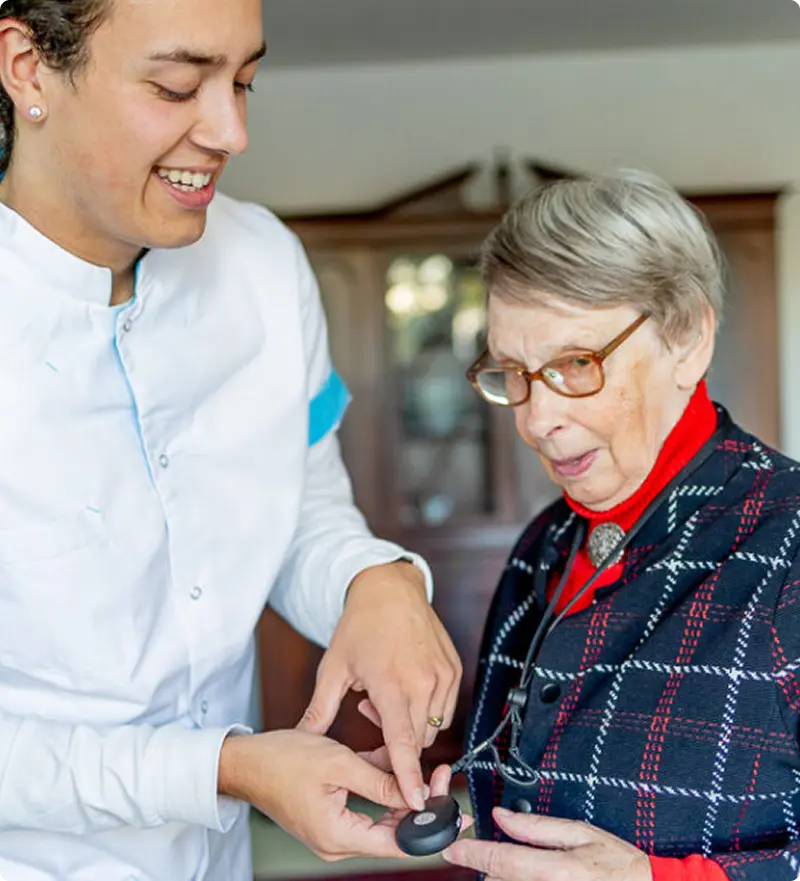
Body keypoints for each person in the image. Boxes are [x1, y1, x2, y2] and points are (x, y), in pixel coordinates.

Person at [0, 1, 462, 878]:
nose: (232, 130)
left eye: (245, 80)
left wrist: (374, 580)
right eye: (178, 86)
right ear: (28, 66)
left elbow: (300, 506)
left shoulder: (263, 264)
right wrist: (223, 767)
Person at [439, 170, 800, 881]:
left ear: (688, 338)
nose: (537, 420)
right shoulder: (542, 543)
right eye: (512, 371)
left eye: (577, 363)